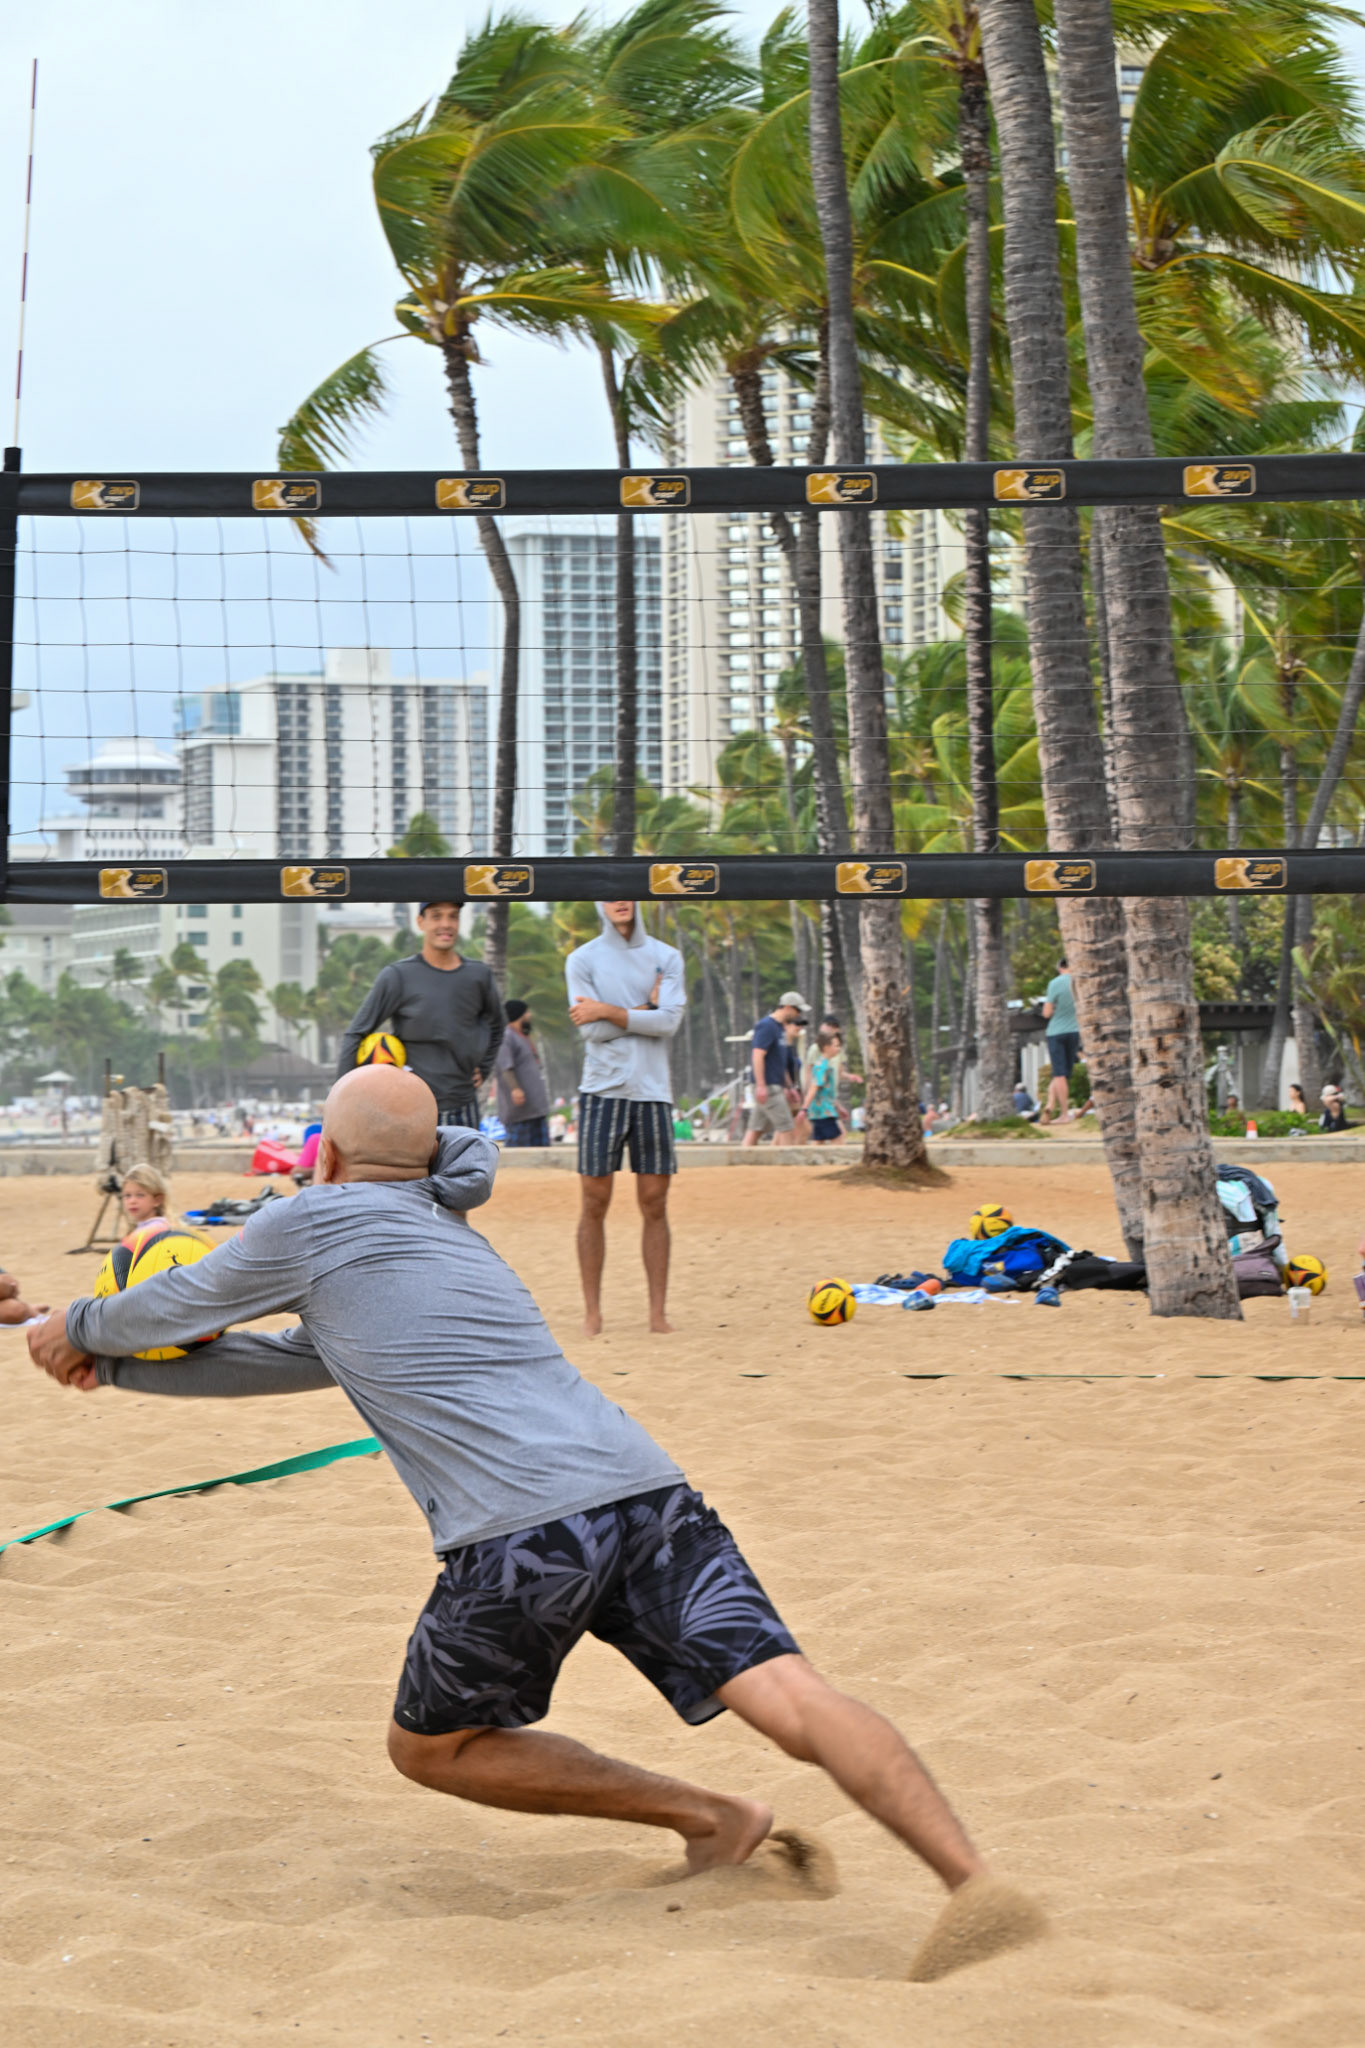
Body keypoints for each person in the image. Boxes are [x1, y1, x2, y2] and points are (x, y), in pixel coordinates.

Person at [27, 1064, 1043, 1982]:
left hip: (520, 1535)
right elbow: (295, 1359)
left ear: (322, 1156)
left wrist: (69, 1330)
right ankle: (974, 1882)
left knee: (434, 1745)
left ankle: (709, 1813)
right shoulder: (441, 1220)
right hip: (649, 1490)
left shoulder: (304, 1224)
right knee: (794, 1694)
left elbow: (159, 1307)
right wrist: (107, 1367)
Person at [566, 902, 685, 1337]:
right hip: (602, 1090)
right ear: (598, 904)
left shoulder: (666, 956)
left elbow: (669, 1022)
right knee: (594, 1202)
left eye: (629, 892)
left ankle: (658, 1313)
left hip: (654, 1093)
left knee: (654, 1203)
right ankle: (592, 1312)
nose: (621, 901)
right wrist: (645, 1006)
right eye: (611, 894)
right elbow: (589, 1030)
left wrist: (608, 1010)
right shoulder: (582, 959)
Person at [338, 901, 504, 1130]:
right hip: (410, 1110)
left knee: (468, 1167)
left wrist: (484, 1068)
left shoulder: (479, 976)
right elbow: (356, 1033)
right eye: (436, 916)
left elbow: (497, 1026)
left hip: (464, 1108)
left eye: (453, 916)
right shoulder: (398, 976)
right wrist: (342, 1101)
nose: (446, 924)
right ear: (420, 922)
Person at [743, 992, 809, 1148]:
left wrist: (789, 1086)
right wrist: (760, 1085)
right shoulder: (766, 1026)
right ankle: (787, 1165)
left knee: (756, 1130)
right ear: (787, 1007)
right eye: (797, 1010)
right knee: (787, 1128)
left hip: (776, 1085)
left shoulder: (780, 1029)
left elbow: (780, 1062)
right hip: (768, 1086)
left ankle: (742, 1162)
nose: (798, 1015)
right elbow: (758, 1056)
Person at [495, 999, 550, 1148]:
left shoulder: (522, 1036)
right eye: (526, 1012)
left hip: (535, 1109)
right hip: (520, 1113)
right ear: (519, 1015)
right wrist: (515, 1089)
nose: (529, 1015)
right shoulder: (506, 1036)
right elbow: (506, 1066)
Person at [1039, 959, 1080, 1123]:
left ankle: (1064, 1114)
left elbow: (1046, 1013)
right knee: (1062, 1074)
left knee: (1059, 1074)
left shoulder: (1054, 983)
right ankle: (1050, 1104)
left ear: (1060, 968)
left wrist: (1054, 1008)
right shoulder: (1080, 981)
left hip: (1056, 1032)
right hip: (1075, 1031)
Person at [803, 1025, 844, 1144]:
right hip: (824, 1112)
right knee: (838, 1140)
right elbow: (814, 1088)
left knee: (819, 1141)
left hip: (821, 1111)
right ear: (826, 1047)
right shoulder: (822, 1066)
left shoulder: (824, 1064)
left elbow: (826, 1092)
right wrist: (804, 1108)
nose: (839, 1048)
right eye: (836, 1045)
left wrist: (838, 1106)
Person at [120, 1161, 173, 1232]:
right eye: (127, 1195)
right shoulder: (142, 1227)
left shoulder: (156, 1229)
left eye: (140, 1195)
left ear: (157, 1200)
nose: (132, 1201)